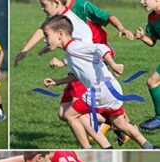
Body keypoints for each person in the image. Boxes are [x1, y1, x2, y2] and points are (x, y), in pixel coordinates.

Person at [14, 0, 133, 146]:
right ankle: (115, 125)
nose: (41, 8)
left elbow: (106, 18)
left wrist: (121, 28)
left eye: (44, 4)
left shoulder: (80, 7)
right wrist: (25, 50)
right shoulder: (57, 16)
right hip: (78, 64)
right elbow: (43, 29)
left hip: (91, 60)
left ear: (56, 3)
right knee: (64, 113)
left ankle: (112, 133)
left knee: (75, 113)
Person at [42, 15, 158, 149]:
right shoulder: (70, 51)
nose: (45, 40)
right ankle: (149, 147)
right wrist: (57, 82)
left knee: (70, 115)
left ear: (60, 34)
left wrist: (113, 64)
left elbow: (100, 48)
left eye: (47, 35)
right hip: (111, 88)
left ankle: (88, 149)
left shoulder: (74, 48)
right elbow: (79, 75)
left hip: (100, 90)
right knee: (121, 124)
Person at [136, 0, 160, 130]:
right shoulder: (151, 17)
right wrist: (142, 37)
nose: (142, 2)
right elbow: (152, 41)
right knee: (152, 82)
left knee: (153, 81)